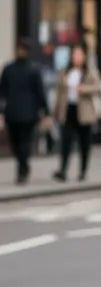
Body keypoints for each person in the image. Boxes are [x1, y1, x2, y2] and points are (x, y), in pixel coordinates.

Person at [0, 38, 51, 184]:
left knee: (25, 142)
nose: (20, 52)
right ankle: (23, 166)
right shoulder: (9, 69)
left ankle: (22, 170)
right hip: (12, 113)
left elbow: (40, 93)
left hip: (29, 114)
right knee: (15, 143)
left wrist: (46, 114)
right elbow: (2, 91)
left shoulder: (34, 69)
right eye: (18, 49)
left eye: (23, 49)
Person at [52, 45, 101, 182]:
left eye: (79, 55)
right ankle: (62, 170)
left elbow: (97, 87)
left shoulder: (89, 72)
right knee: (66, 141)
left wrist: (84, 89)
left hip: (84, 112)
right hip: (69, 110)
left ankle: (83, 170)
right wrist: (55, 112)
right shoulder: (65, 72)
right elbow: (59, 93)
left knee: (84, 142)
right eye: (74, 55)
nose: (77, 58)